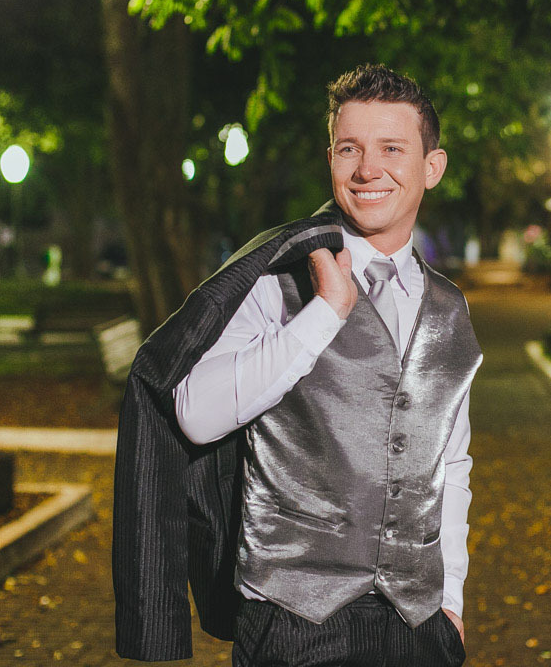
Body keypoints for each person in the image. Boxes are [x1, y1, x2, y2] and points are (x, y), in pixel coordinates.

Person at [172, 64, 480, 666]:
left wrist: (451, 601)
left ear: (432, 167)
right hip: (294, 622)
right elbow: (195, 414)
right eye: (350, 149)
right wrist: (325, 314)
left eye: (392, 148)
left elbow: (453, 461)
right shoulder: (272, 278)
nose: (369, 169)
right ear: (331, 159)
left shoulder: (449, 306)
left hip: (417, 625)